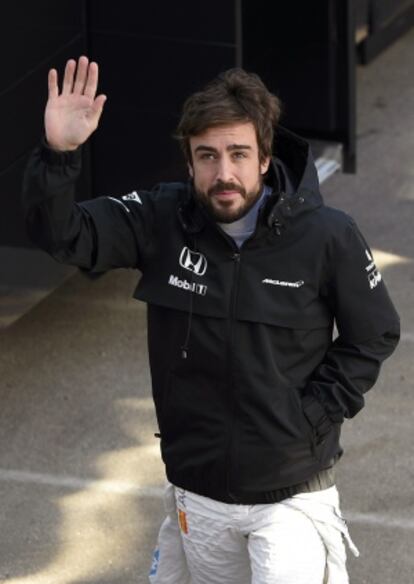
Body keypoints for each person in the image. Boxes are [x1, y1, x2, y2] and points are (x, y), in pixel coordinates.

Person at [23, 56, 400, 584]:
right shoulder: (161, 218)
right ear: (190, 160)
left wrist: (312, 415)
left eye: (239, 154)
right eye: (208, 156)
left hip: (289, 496)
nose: (224, 173)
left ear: (265, 158)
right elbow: (66, 235)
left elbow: (375, 333)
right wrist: (58, 155)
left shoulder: (328, 236)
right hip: (196, 492)